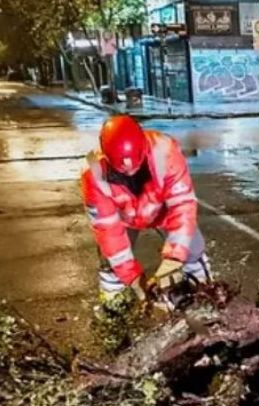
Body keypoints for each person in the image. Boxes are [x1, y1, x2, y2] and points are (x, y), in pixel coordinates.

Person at [81, 115, 211, 307]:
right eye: (123, 171)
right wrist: (134, 279)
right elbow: (108, 231)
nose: (130, 172)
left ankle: (207, 296)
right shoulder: (93, 175)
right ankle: (113, 314)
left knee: (192, 248)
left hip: (163, 210)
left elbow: (182, 205)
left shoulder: (165, 152)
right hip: (124, 218)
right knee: (111, 266)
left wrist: (174, 258)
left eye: (135, 167)